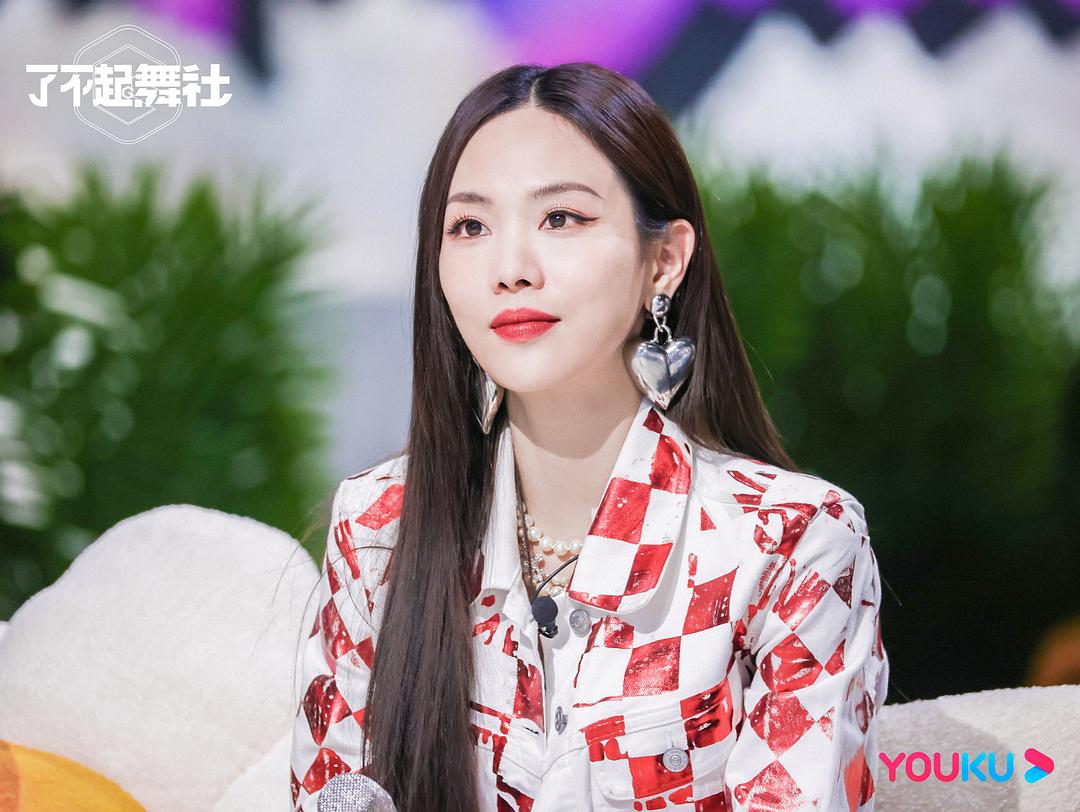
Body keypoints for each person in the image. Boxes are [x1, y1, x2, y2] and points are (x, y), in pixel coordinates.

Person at [289, 62, 889, 812]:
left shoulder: (789, 544)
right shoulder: (379, 527)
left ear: (663, 261)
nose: (511, 269)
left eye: (561, 218)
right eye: (470, 226)